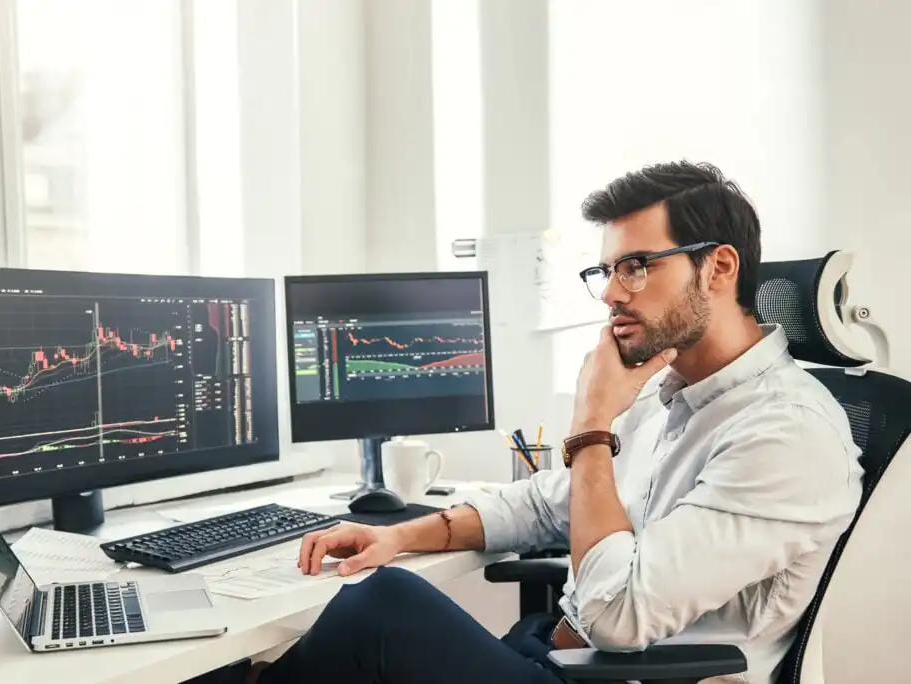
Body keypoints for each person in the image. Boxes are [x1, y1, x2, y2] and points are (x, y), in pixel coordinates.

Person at [241, 161, 864, 684]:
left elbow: (618, 616)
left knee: (380, 611)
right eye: (607, 270)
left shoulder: (787, 432)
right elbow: (547, 505)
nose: (612, 294)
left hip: (620, 674)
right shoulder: (668, 395)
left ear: (719, 268)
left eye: (637, 266)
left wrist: (592, 423)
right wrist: (401, 537)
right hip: (556, 654)